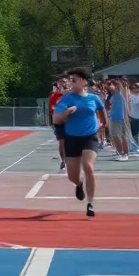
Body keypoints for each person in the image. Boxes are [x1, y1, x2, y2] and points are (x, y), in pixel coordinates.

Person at [52, 67, 103, 218]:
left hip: (90, 137)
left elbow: (101, 111)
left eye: (74, 80)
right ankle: (79, 184)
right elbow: (56, 119)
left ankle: (90, 203)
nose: (71, 83)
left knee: (89, 167)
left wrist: (103, 124)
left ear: (83, 81)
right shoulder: (66, 99)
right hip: (72, 138)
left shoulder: (94, 98)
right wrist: (67, 113)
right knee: (72, 176)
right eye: (71, 80)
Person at [48, 76, 69, 170]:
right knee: (61, 142)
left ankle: (71, 160)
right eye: (60, 82)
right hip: (60, 121)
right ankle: (63, 161)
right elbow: (52, 109)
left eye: (64, 82)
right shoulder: (54, 96)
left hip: (71, 121)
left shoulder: (71, 94)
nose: (62, 84)